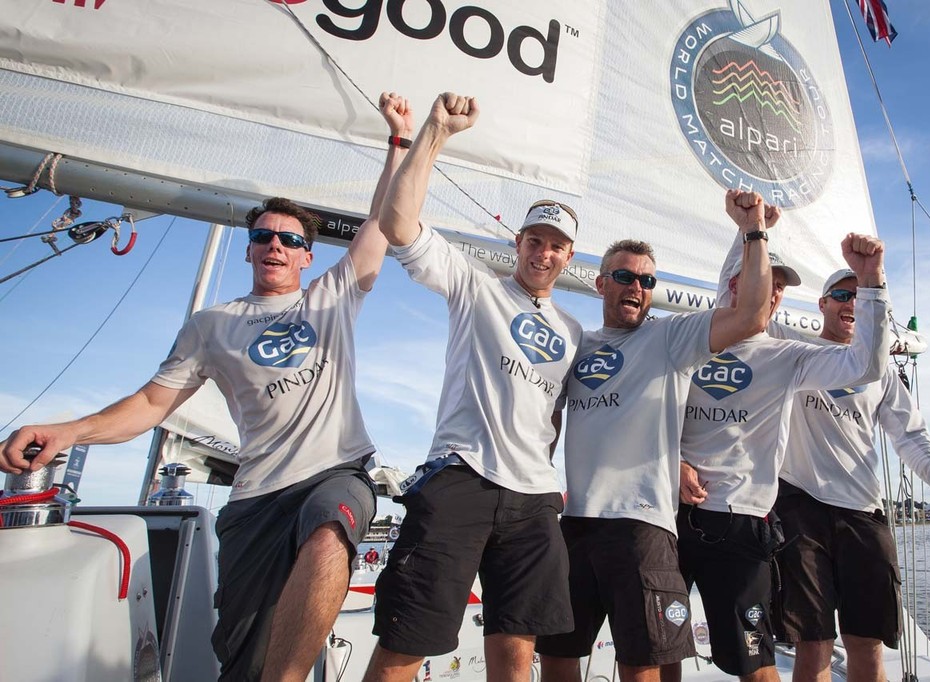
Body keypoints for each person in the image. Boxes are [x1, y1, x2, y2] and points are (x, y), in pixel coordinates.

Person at [0, 92, 415, 682]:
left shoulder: (334, 296)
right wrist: (67, 431)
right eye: (265, 236)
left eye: (291, 240)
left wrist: (397, 140)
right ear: (250, 249)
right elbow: (150, 404)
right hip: (255, 499)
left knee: (329, 534)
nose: (276, 244)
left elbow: (381, 222)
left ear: (305, 257)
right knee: (240, 659)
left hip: (335, 473)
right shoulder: (211, 325)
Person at [362, 92, 582, 682]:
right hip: (461, 480)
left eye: (555, 244)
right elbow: (398, 223)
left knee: (516, 655)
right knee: (406, 643)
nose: (542, 251)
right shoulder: (475, 286)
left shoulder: (574, 330)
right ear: (518, 244)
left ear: (568, 256)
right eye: (533, 240)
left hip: (535, 499)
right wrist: (434, 132)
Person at [535, 190, 775, 682]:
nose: (637, 287)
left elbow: (749, 311)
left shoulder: (669, 339)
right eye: (624, 276)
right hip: (576, 523)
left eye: (647, 280)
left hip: (642, 528)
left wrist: (751, 232)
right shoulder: (576, 342)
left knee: (642, 662)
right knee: (558, 654)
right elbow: (546, 419)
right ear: (601, 283)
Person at [677, 225, 892, 682]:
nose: (772, 296)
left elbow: (865, 364)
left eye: (778, 290)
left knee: (755, 661)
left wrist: (871, 282)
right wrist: (746, 230)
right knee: (660, 650)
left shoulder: (787, 356)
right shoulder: (686, 340)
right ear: (735, 285)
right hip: (668, 515)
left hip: (740, 523)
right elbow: (651, 418)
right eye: (763, 285)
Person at [766, 267, 930, 682]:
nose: (850, 303)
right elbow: (748, 311)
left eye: (859, 297)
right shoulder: (790, 349)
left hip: (863, 513)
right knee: (811, 644)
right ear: (823, 304)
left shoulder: (880, 369)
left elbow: (911, 436)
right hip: (799, 507)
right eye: (841, 295)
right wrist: (751, 234)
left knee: (867, 644)